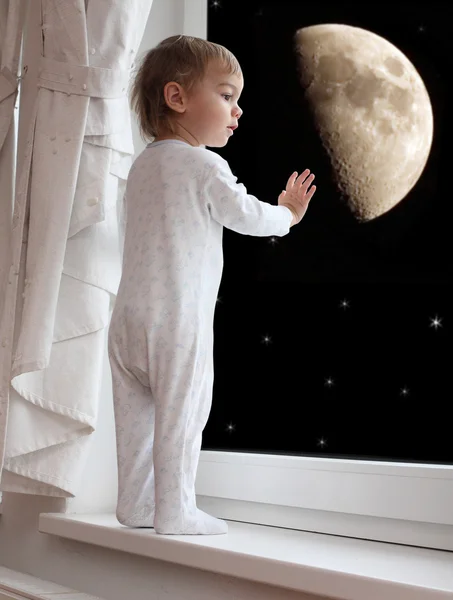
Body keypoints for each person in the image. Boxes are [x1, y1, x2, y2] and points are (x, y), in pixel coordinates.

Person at [107, 34, 316, 535]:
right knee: (183, 411)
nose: (237, 110)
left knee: (136, 418)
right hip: (177, 320)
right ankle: (175, 510)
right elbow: (243, 213)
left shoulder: (141, 166)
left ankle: (136, 504)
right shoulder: (203, 164)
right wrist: (286, 214)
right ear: (177, 98)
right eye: (226, 96)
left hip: (128, 318)